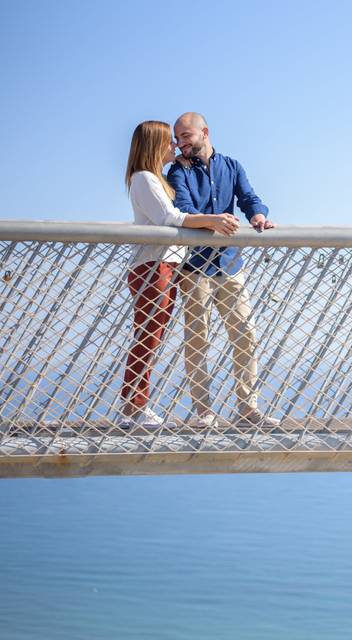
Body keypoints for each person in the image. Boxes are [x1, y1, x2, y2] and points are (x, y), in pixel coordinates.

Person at [121, 120, 239, 429]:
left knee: (151, 336)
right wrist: (211, 219)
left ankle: (136, 405)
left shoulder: (152, 178)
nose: (175, 146)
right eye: (168, 142)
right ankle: (134, 408)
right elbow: (168, 217)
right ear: (155, 146)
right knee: (148, 337)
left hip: (163, 267)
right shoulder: (144, 178)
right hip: (153, 268)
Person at [167, 112, 278, 428]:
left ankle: (248, 409)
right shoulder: (177, 172)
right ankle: (204, 413)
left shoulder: (232, 166)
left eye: (186, 136)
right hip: (194, 267)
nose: (181, 143)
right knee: (197, 339)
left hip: (230, 263)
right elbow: (185, 210)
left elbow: (249, 198)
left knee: (245, 333)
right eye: (177, 138)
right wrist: (214, 219)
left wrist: (257, 216)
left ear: (204, 132)